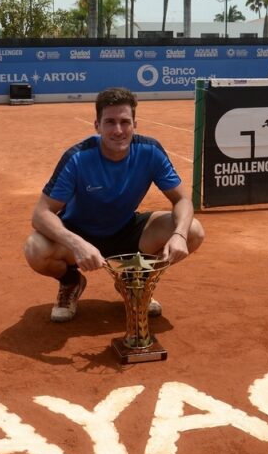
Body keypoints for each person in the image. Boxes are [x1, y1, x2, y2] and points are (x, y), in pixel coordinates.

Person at [23, 87, 205, 323]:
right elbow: (41, 213)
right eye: (110, 122)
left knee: (193, 231)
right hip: (80, 233)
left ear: (135, 124)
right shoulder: (77, 158)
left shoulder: (150, 151)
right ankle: (71, 282)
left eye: (124, 122)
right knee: (35, 249)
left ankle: (135, 281)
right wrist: (76, 243)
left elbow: (182, 199)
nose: (118, 130)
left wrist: (179, 234)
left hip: (126, 231)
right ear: (97, 125)